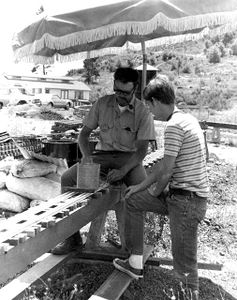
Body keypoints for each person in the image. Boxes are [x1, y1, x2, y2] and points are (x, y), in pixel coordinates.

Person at [113, 75, 209, 300]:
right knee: (133, 200)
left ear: (156, 101)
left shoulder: (174, 126)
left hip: (186, 202)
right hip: (183, 197)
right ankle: (135, 263)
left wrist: (155, 192)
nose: (150, 112)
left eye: (149, 106)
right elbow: (162, 168)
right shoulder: (188, 119)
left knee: (184, 265)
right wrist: (139, 189)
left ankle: (187, 296)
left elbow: (165, 173)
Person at [51, 67, 156, 255]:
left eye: (125, 92)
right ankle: (72, 238)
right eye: (117, 90)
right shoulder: (102, 104)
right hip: (101, 157)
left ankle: (135, 249)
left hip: (129, 159)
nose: (120, 96)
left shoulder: (143, 112)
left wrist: (123, 171)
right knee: (67, 179)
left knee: (141, 191)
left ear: (135, 88)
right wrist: (87, 158)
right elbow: (83, 135)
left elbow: (141, 152)